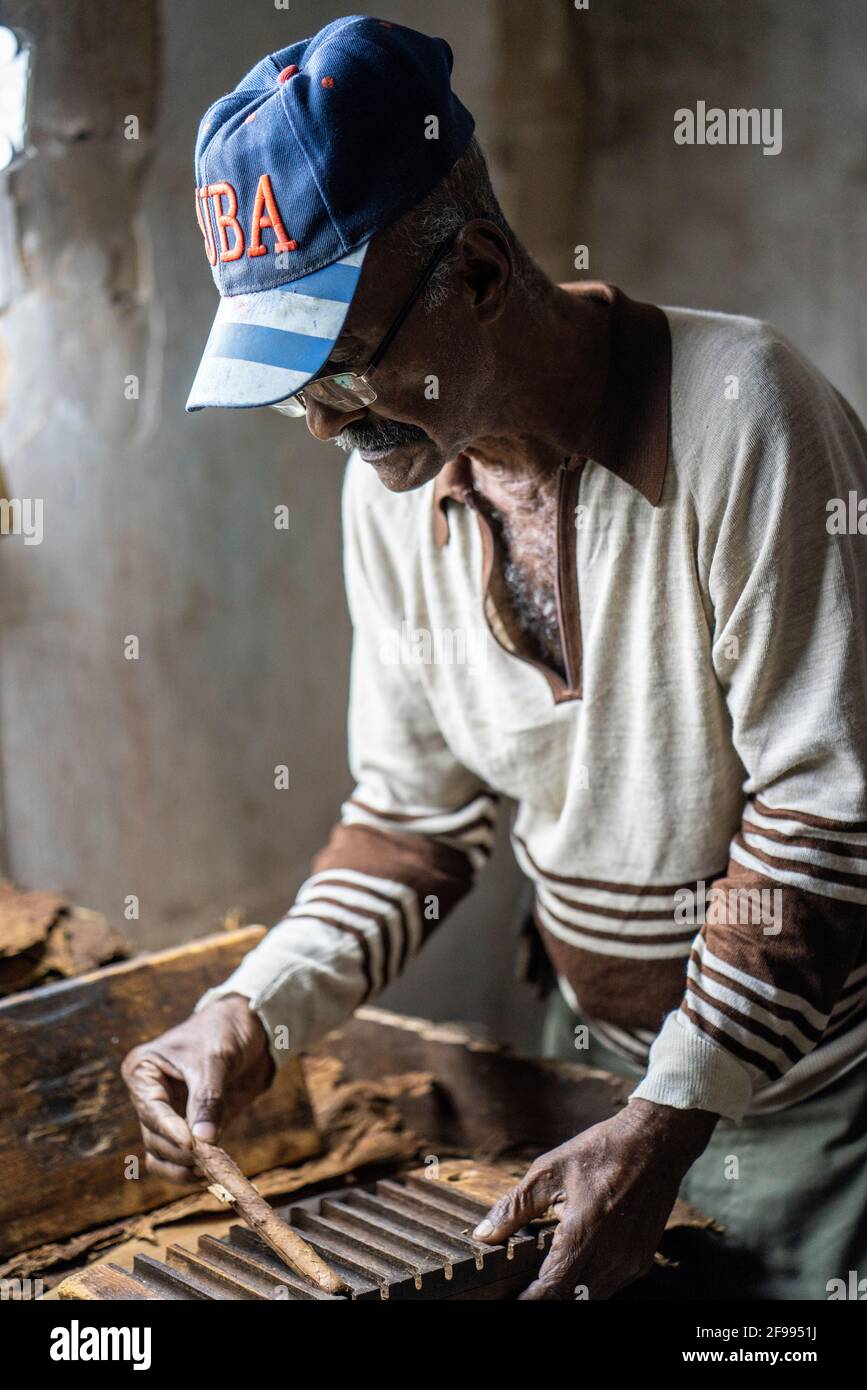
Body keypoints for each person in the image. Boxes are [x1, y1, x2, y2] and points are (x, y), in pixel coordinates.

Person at [123, 16, 867, 1300]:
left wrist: (679, 1106)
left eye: (340, 367)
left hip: (807, 1100)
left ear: (474, 272)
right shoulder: (392, 489)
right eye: (287, 383)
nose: (316, 423)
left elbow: (826, 810)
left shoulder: (749, 412)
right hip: (589, 1076)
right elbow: (416, 818)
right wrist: (259, 1006)